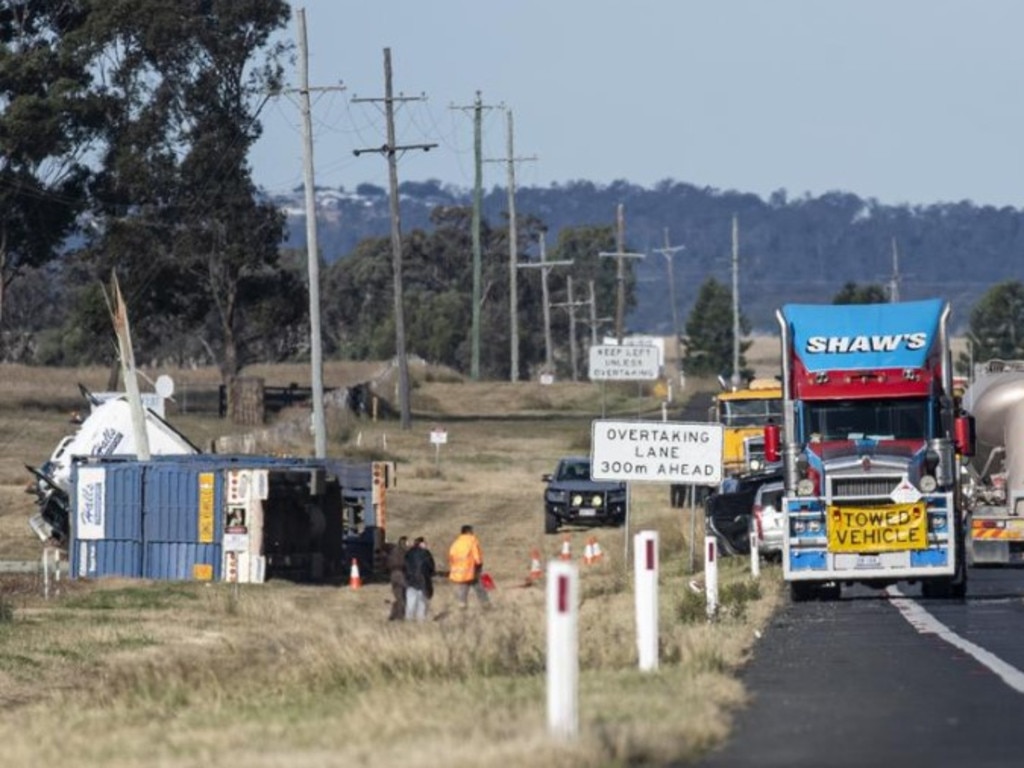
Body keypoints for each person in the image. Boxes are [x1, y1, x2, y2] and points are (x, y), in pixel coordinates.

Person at [448, 524, 490, 610]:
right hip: (471, 568)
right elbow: (476, 554)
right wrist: (479, 564)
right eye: (471, 531)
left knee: (463, 586)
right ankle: (485, 604)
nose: (473, 532)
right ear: (468, 531)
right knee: (478, 586)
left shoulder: (456, 542)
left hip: (460, 570)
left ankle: (462, 604)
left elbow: (451, 556)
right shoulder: (472, 540)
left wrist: (455, 567)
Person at [404, 537, 435, 621]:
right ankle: (420, 621)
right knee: (422, 603)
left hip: (410, 581)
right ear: (420, 543)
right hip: (423, 581)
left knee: (410, 603)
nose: (426, 544)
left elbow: (404, 566)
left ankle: (408, 620)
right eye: (425, 543)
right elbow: (431, 567)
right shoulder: (425, 553)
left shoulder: (408, 553)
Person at [385, 535, 408, 621]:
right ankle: (400, 616)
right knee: (402, 597)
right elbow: (403, 563)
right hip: (400, 574)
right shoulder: (402, 552)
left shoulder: (394, 551)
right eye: (406, 542)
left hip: (393, 575)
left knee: (398, 596)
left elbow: (388, 563)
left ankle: (393, 616)